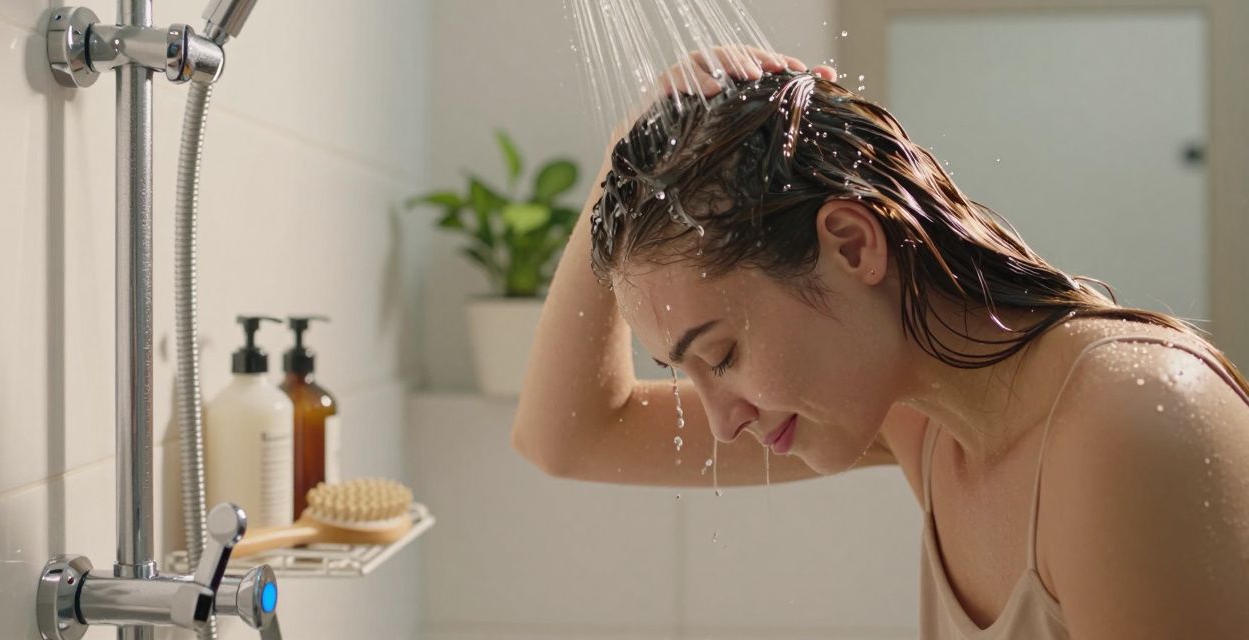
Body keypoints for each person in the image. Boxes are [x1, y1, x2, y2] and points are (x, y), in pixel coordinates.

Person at [511, 47, 1249, 638]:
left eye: (724, 355)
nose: (721, 418)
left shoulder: (1129, 424)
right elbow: (572, 437)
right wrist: (625, 165)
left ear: (853, 245)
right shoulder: (926, 420)